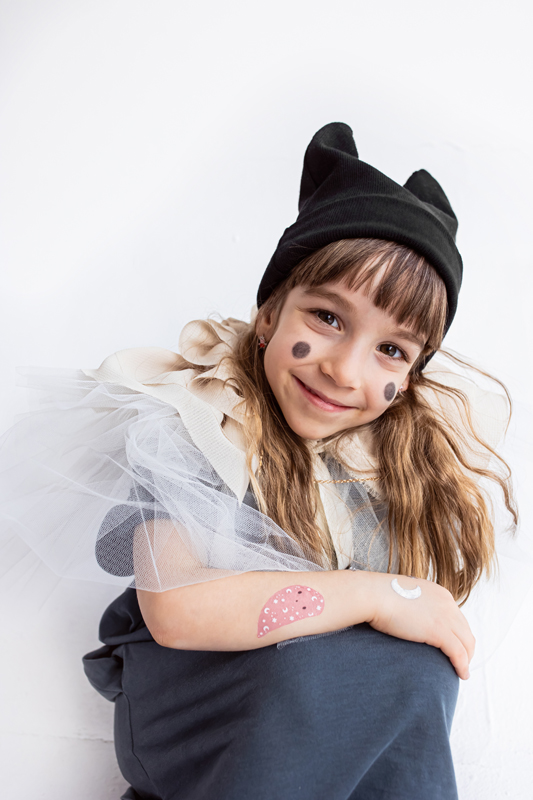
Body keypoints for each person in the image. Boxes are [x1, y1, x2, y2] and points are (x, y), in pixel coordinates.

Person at [0, 123, 526, 799]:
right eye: (327, 319)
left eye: (390, 350)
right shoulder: (202, 419)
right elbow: (178, 609)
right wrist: (377, 593)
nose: (343, 370)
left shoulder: (380, 468)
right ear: (271, 311)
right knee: (328, 670)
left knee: (414, 673)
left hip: (310, 740)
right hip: (204, 718)